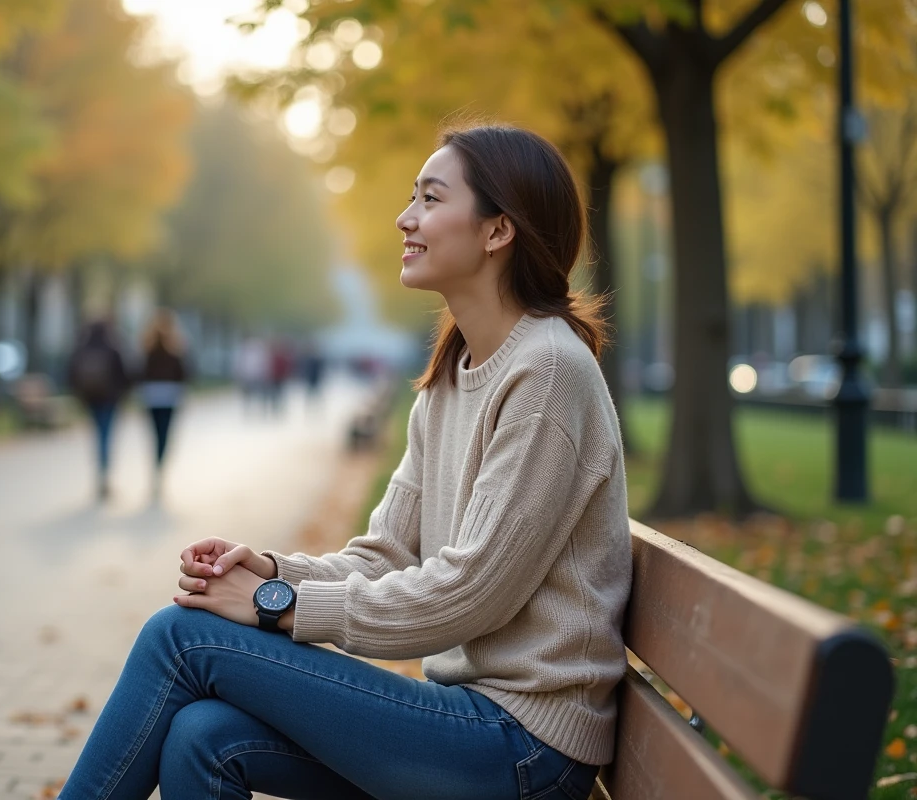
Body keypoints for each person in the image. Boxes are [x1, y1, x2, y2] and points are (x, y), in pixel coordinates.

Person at [57, 125, 632, 799]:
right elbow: (386, 553)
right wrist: (271, 570)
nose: (404, 217)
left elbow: (469, 593)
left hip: (522, 749)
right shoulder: (452, 378)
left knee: (180, 637)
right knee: (202, 735)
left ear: (496, 230)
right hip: (470, 722)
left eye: (430, 198)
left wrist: (278, 605)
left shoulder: (547, 372)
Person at [68, 319, 130, 501]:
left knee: (97, 435)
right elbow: (124, 374)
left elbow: (71, 373)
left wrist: (79, 396)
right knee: (106, 435)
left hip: (90, 400)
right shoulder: (113, 347)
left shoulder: (82, 347)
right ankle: (104, 474)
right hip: (110, 400)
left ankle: (100, 472)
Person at [139, 309, 189, 505]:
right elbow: (184, 374)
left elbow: (140, 373)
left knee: (154, 436)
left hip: (152, 397)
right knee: (164, 437)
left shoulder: (148, 350)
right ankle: (159, 471)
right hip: (169, 398)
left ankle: (156, 471)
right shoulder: (175, 351)